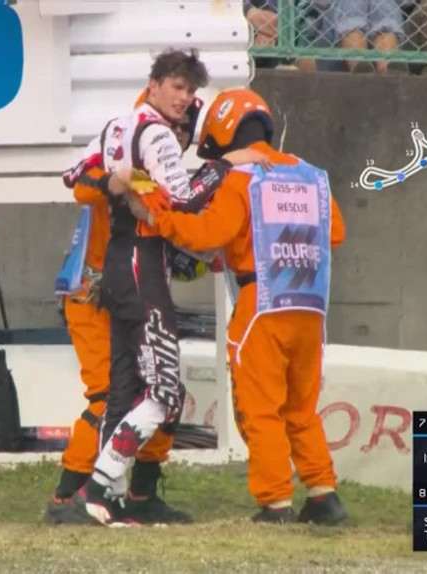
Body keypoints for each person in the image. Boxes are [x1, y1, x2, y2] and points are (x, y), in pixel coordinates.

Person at [115, 87, 350, 525]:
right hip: (311, 305)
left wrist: (156, 217)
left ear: (224, 133)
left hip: (261, 305)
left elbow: (205, 234)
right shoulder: (312, 175)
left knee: (260, 409)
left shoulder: (240, 179)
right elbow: (334, 233)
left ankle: (275, 503)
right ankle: (324, 496)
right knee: (300, 408)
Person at [51, 88, 268, 525]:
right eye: (177, 124)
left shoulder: (158, 168)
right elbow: (85, 185)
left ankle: (140, 494)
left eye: (187, 128)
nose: (181, 134)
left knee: (165, 395)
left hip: (128, 292)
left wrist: (206, 250)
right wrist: (223, 168)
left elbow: (176, 235)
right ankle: (68, 496)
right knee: (112, 398)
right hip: (91, 295)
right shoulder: (122, 154)